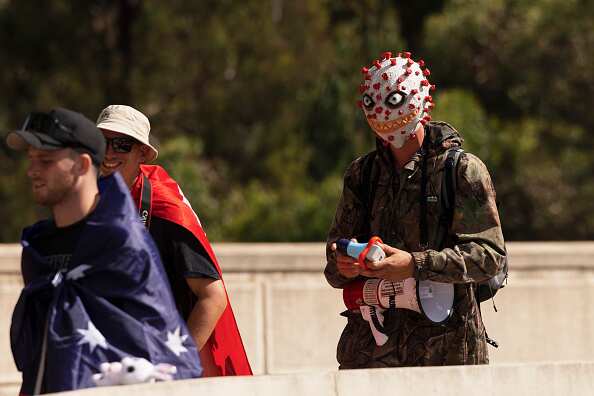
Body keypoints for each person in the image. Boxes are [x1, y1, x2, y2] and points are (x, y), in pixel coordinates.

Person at [325, 51, 507, 368]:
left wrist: (415, 265)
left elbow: (490, 257)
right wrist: (345, 263)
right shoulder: (362, 175)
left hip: (445, 355)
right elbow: (333, 263)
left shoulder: (461, 170)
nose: (384, 119)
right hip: (370, 356)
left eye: (393, 103)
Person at [7, 108, 202, 394]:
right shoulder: (36, 247)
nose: (32, 171)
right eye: (31, 159)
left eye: (46, 160)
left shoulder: (124, 244)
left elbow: (157, 345)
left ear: (83, 165)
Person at [95, 104, 252, 376]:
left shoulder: (166, 208)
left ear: (142, 153)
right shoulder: (99, 199)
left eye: (121, 144)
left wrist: (173, 369)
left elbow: (213, 298)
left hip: (174, 370)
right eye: (101, 142)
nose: (109, 152)